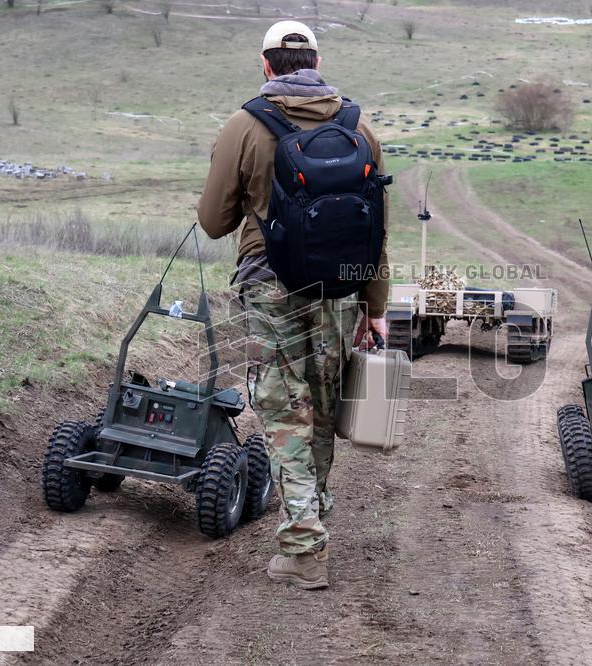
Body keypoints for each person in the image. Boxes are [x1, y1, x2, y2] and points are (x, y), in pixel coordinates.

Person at [197, 20, 389, 590]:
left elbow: (212, 223)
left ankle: (305, 548)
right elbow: (376, 230)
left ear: (266, 64)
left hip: (271, 288)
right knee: (324, 408)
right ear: (317, 60)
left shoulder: (245, 125)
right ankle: (314, 519)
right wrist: (375, 307)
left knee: (285, 411)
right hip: (341, 291)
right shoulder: (360, 127)